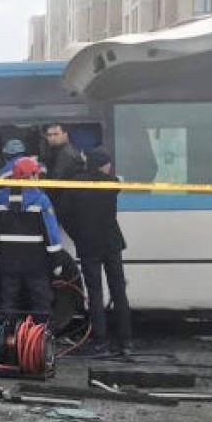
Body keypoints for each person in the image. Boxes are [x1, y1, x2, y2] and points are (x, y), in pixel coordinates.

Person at [67, 147, 132, 355]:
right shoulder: (112, 184)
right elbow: (117, 180)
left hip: (88, 245)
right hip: (111, 244)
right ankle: (125, 340)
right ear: (103, 165)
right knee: (118, 291)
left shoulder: (76, 185)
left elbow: (67, 213)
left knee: (95, 293)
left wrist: (78, 235)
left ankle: (100, 341)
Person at [0, 156, 65, 318]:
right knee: (41, 302)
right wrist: (56, 260)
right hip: (35, 262)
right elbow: (51, 234)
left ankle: (8, 332)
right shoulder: (41, 200)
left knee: (8, 302)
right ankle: (39, 332)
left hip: (7, 261)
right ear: (33, 176)